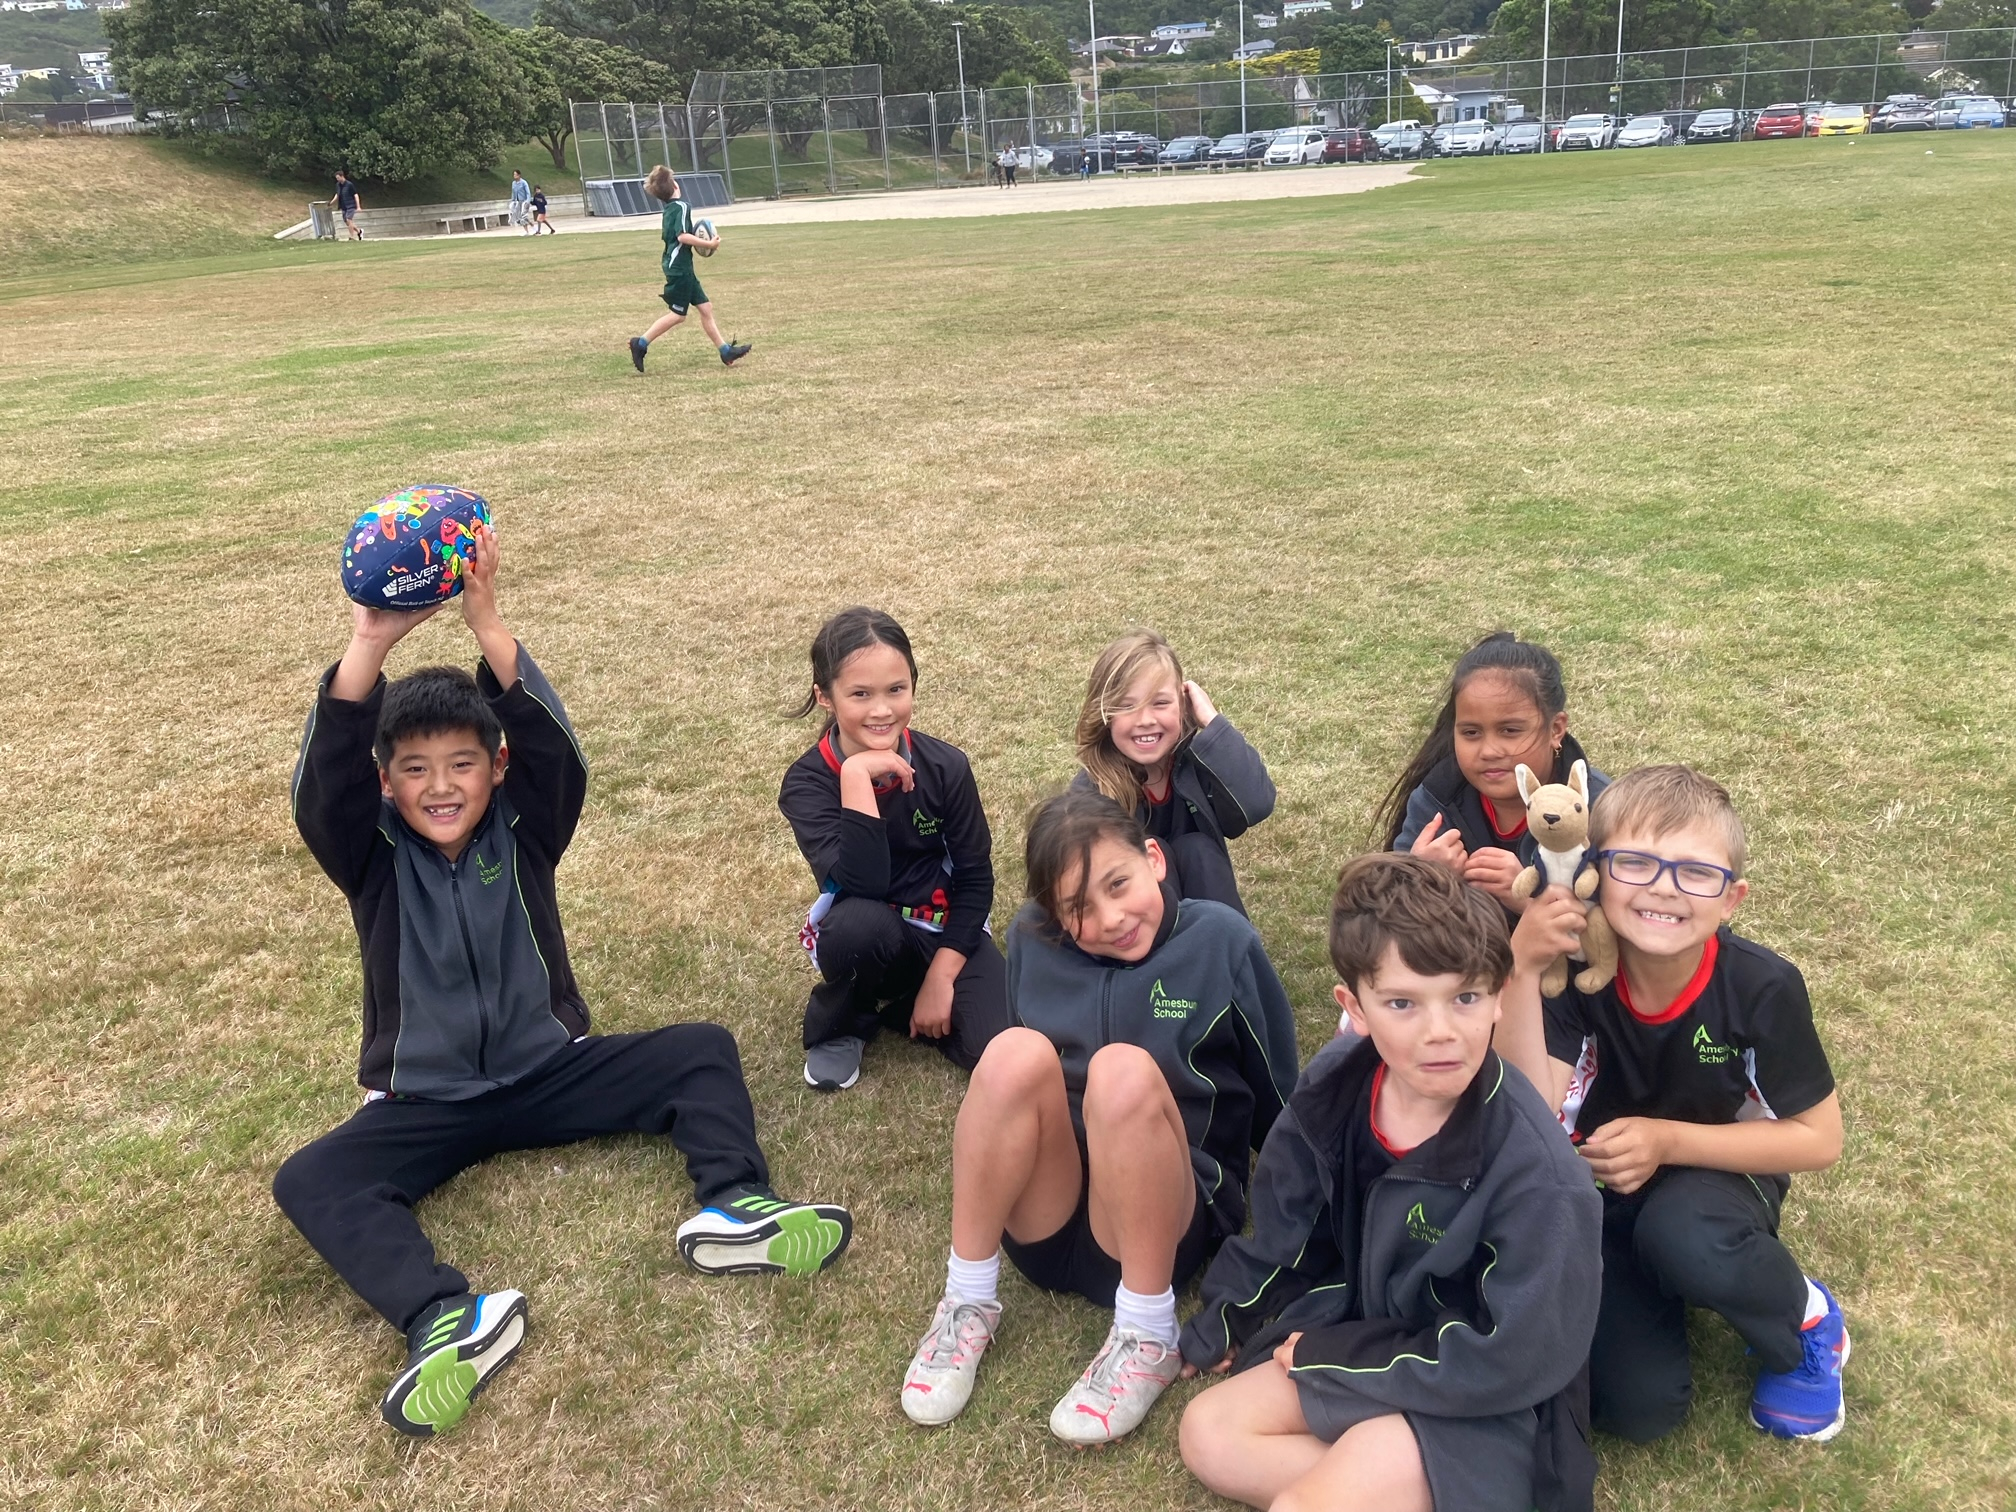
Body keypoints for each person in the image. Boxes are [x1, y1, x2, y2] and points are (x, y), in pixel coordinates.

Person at [275, 522, 851, 1438]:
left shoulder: (526, 829)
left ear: (496, 768)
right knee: (311, 1179)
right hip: (427, 1103)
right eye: (414, 770)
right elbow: (325, 783)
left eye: (462, 764)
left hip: (549, 1072)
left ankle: (735, 1207)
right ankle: (446, 1320)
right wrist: (369, 642)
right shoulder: (368, 857)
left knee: (700, 1051)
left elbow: (558, 756)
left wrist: (487, 621)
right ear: (385, 783)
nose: (440, 786)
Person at [1178, 854, 1603, 1512]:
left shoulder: (1542, 1178)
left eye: (1465, 998)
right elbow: (1290, 1230)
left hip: (1485, 1405)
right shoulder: (1336, 1085)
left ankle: (1395, 1477)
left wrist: (1337, 1358)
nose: (1440, 1033)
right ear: (1356, 1007)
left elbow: (1513, 1357)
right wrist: (1229, 1315)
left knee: (1305, 1505)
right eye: (1403, 1003)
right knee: (1207, 1432)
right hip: (1375, 1340)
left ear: (1499, 992)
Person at [900, 789, 1298, 1445]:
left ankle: (1147, 1334)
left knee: (1121, 1071)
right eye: (1078, 908)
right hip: (1051, 1226)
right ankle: (967, 1300)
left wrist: (1291, 1250)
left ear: (1154, 860)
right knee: (1012, 1051)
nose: (1111, 918)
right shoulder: (1030, 942)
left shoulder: (1220, 940)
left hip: (1165, 1225)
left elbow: (1284, 1102)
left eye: (1119, 884)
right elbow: (1022, 1091)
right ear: (1054, 917)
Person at [1502, 765, 1848, 1444]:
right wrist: (1520, 967)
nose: (1664, 887)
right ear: (1594, 873)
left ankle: (1807, 1320)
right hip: (1605, 1193)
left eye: (1695, 873)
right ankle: (1658, 1276)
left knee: (1684, 1234)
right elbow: (1529, 1116)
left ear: (1732, 898)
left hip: (1721, 1177)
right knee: (1636, 1410)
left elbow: (1818, 1139)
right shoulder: (1576, 974)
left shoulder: (1762, 986)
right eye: (1635, 863)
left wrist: (1666, 1141)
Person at [779, 607, 1010, 1093]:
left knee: (1000, 1048)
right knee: (855, 925)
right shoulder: (806, 783)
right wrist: (855, 777)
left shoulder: (946, 767)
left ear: (913, 685)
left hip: (945, 927)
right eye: (860, 694)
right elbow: (863, 884)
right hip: (870, 929)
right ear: (825, 697)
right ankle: (844, 1023)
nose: (881, 710)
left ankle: (904, 1007)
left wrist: (942, 978)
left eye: (896, 689)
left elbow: (975, 878)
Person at [1374, 631, 1606, 916]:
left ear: (1556, 730)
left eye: (1510, 730)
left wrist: (1528, 900)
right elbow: (1382, 923)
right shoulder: (1436, 799)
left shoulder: (1602, 809)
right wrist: (1423, 879)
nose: (1489, 751)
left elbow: (1625, 925)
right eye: (1471, 733)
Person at [1070, 629, 1275, 915]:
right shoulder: (1091, 794)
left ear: (1183, 703)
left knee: (1198, 849)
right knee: (1154, 851)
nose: (1145, 719)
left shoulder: (1200, 760)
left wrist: (1212, 722)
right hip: (1137, 921)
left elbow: (1258, 804)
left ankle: (1231, 941)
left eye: (1160, 703)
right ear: (1105, 715)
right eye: (1127, 706)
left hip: (1207, 906)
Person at [627, 165, 750, 373]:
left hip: (680, 267)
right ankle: (640, 343)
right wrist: (709, 244)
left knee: (706, 308)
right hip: (679, 269)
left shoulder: (670, 209)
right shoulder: (682, 207)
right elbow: (683, 236)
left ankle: (726, 351)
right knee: (678, 315)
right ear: (675, 185)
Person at [331, 169, 363, 240]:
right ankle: (359, 231)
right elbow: (337, 195)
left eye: (338, 178)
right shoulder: (338, 185)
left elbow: (356, 195)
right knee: (347, 222)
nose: (337, 179)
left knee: (349, 219)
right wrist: (331, 203)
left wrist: (358, 206)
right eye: (336, 178)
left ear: (342, 176)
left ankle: (352, 236)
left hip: (351, 205)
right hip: (343, 206)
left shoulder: (349, 184)